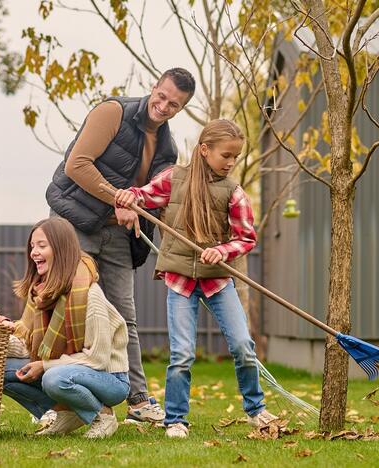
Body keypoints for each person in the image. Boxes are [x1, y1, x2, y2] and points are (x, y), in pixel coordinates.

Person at [45, 68, 196, 424]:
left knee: (124, 316)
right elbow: (77, 165)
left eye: (174, 105)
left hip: (118, 233)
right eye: (162, 97)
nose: (164, 106)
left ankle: (138, 399)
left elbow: (155, 197)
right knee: (68, 308)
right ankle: (55, 406)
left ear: (181, 107)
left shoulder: (167, 148)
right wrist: (119, 198)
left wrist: (140, 207)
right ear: (153, 87)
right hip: (75, 221)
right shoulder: (112, 112)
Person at [113, 119, 279, 438]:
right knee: (182, 354)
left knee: (244, 345)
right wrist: (127, 197)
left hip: (217, 280)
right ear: (204, 150)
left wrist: (223, 250)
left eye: (235, 157)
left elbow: (246, 238)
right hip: (180, 280)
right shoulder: (174, 179)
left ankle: (256, 409)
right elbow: (143, 196)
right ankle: (175, 419)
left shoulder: (233, 191)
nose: (230, 163)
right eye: (225, 155)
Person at [3, 217, 129, 438]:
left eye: (42, 246)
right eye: (32, 246)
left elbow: (97, 359)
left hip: (109, 378)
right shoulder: (40, 293)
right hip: (67, 369)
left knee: (54, 378)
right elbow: (28, 345)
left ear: (61, 249)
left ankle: (103, 415)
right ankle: (68, 412)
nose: (34, 252)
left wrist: (44, 365)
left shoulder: (90, 295)